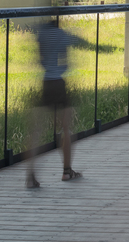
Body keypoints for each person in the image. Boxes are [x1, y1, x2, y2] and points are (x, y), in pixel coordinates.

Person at [25, 14, 90, 187]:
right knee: (66, 127)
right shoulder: (62, 35)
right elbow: (67, 62)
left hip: (45, 82)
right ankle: (67, 171)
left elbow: (39, 60)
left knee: (37, 131)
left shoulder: (41, 34)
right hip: (59, 84)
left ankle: (30, 175)